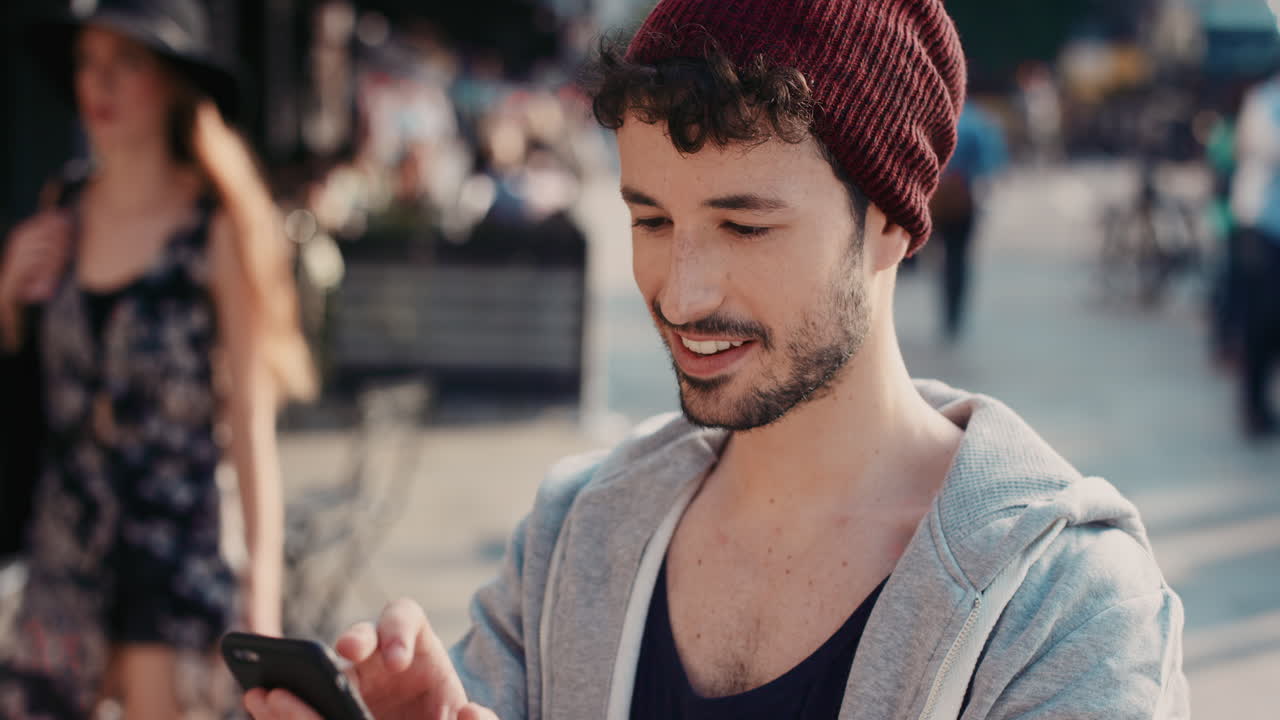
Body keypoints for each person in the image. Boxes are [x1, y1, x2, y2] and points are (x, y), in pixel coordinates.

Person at [247, 1, 1189, 719]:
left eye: (743, 224)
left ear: (896, 223)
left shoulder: (1062, 608)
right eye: (650, 219)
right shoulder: (574, 538)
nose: (683, 292)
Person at [0, 1, 316, 717]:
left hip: (174, 559)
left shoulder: (217, 226)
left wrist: (261, 595)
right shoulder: (64, 206)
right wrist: (7, 297)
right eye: (88, 62)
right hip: (64, 551)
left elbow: (249, 424)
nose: (98, 84)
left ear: (173, 80)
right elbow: (32, 386)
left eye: (127, 63)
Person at [930, 101, 1008, 341]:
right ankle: (956, 316)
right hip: (965, 200)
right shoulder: (978, 122)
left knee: (941, 258)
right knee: (960, 258)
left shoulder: (935, 118)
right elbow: (992, 164)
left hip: (937, 200)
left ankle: (946, 312)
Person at [1230, 72, 1280, 438]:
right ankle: (1254, 407)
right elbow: (1263, 148)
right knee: (1263, 321)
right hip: (1262, 228)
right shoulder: (1264, 100)